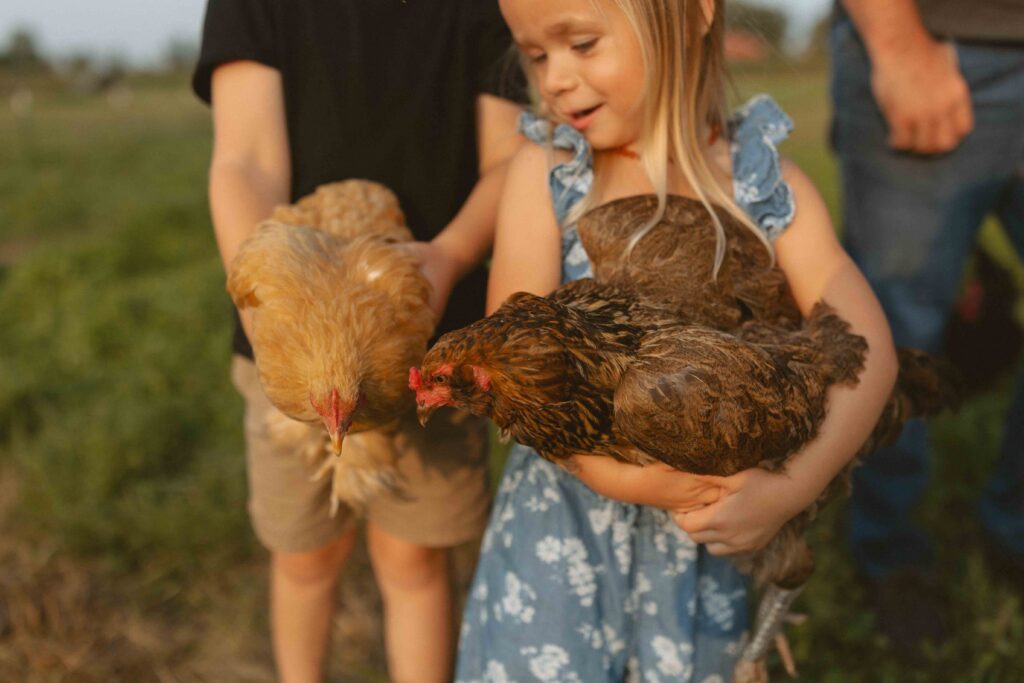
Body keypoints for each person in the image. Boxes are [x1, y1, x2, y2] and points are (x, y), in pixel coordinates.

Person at [454, 0, 899, 680]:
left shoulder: (759, 183)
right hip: (561, 539)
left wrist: (791, 489)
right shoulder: (547, 174)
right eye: (537, 56)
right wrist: (644, 482)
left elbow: (868, 344)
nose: (556, 79)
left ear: (692, 12)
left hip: (705, 549)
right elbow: (511, 384)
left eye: (580, 42)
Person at [191, 2, 523, 681]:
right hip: (284, 343)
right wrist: (269, 310)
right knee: (306, 556)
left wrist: (449, 256)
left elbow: (508, 161)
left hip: (431, 335)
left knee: (414, 558)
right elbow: (245, 161)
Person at [831, 0, 1024, 650]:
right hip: (939, 39)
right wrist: (895, 39)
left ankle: (1013, 526)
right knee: (893, 329)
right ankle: (893, 554)